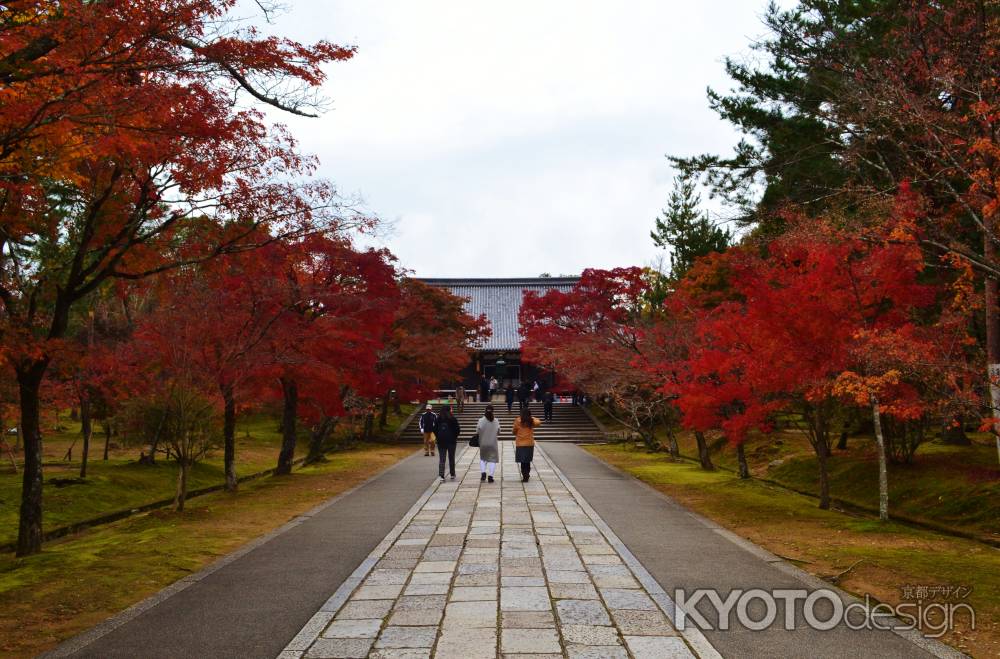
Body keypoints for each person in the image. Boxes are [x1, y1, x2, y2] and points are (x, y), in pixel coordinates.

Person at [512, 406, 541, 482]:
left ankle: (524, 475)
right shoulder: (531, 421)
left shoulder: (518, 420)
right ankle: (527, 474)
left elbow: (514, 431)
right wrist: (532, 417)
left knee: (522, 461)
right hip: (529, 444)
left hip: (520, 444)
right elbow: (538, 422)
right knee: (527, 460)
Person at [433, 405, 460, 481]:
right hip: (451, 441)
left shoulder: (438, 419)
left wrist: (438, 437)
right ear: (449, 410)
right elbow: (458, 430)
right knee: (451, 458)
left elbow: (434, 429)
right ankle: (452, 474)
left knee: (442, 459)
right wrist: (454, 437)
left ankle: (441, 475)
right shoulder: (453, 419)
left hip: (441, 442)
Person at [477, 404, 501, 483]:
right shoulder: (496, 421)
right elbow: (499, 432)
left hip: (483, 443)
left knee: (483, 458)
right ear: (493, 411)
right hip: (493, 443)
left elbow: (477, 431)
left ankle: (483, 472)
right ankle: (491, 476)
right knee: (493, 460)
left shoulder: (481, 420)